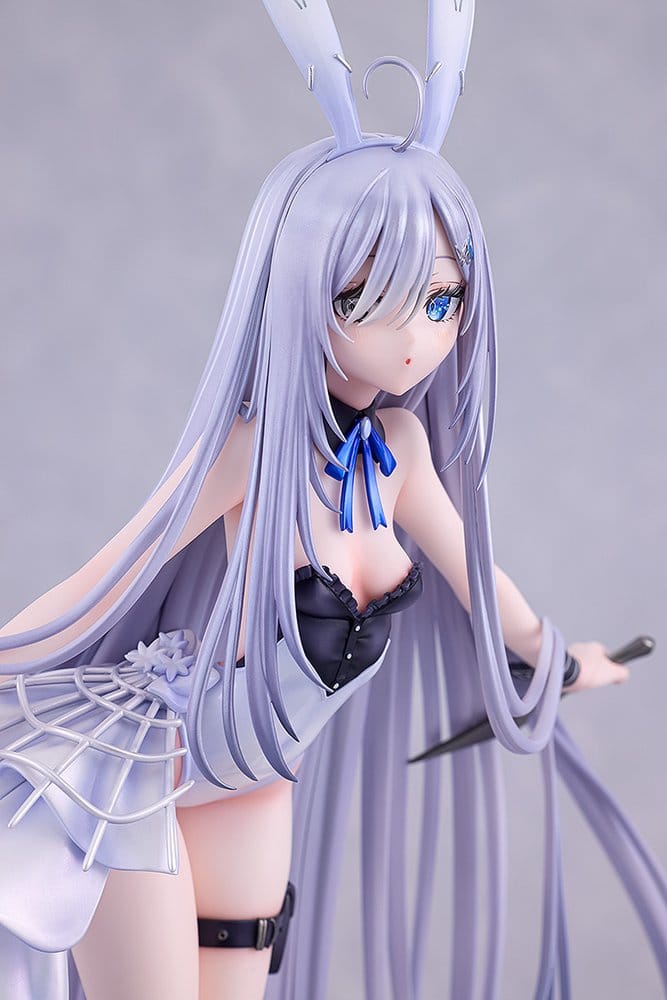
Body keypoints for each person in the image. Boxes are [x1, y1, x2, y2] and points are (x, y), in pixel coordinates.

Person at [0, 2, 665, 999]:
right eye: (365, 300)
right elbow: (109, 576)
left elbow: (482, 585)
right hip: (134, 771)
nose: (415, 340)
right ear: (301, 290)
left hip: (255, 780)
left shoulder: (401, 451)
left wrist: (558, 659)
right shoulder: (252, 451)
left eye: (441, 302)